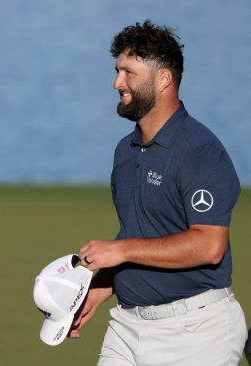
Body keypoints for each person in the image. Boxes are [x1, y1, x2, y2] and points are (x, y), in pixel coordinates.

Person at [69, 20, 247, 365]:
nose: (117, 82)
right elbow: (144, 235)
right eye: (118, 71)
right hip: (127, 326)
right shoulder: (127, 150)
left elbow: (210, 246)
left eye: (129, 73)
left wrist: (120, 249)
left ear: (163, 79)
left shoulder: (199, 151)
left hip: (196, 332)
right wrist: (100, 289)